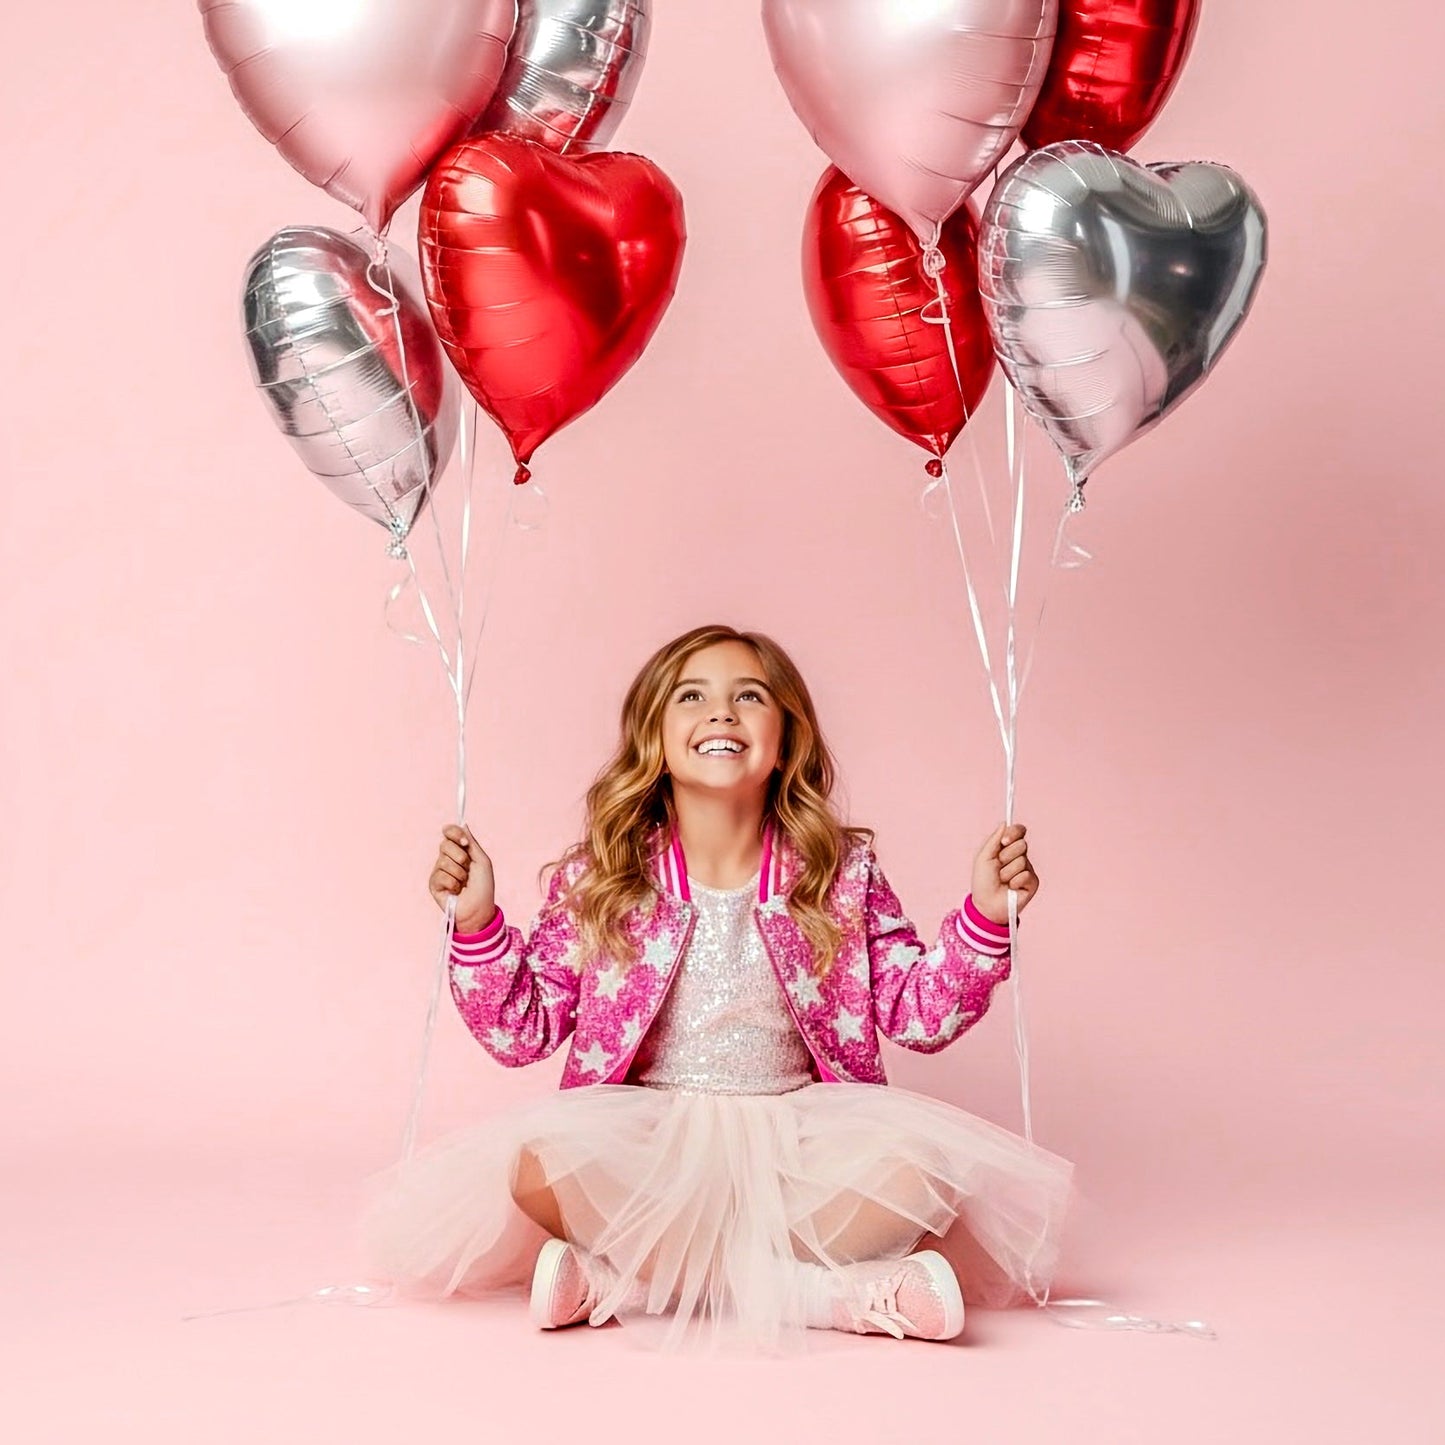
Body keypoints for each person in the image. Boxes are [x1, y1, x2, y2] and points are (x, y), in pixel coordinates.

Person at [356, 624, 1075, 1351]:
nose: (722, 711)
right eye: (692, 696)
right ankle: (822, 1294)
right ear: (654, 737)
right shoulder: (602, 877)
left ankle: (632, 1284)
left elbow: (915, 1013)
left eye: (750, 696)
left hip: (802, 1141)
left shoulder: (840, 874)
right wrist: (477, 921)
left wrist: (986, 916)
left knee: (930, 1173)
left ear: (785, 741)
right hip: (647, 1142)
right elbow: (522, 1031)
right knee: (538, 1163)